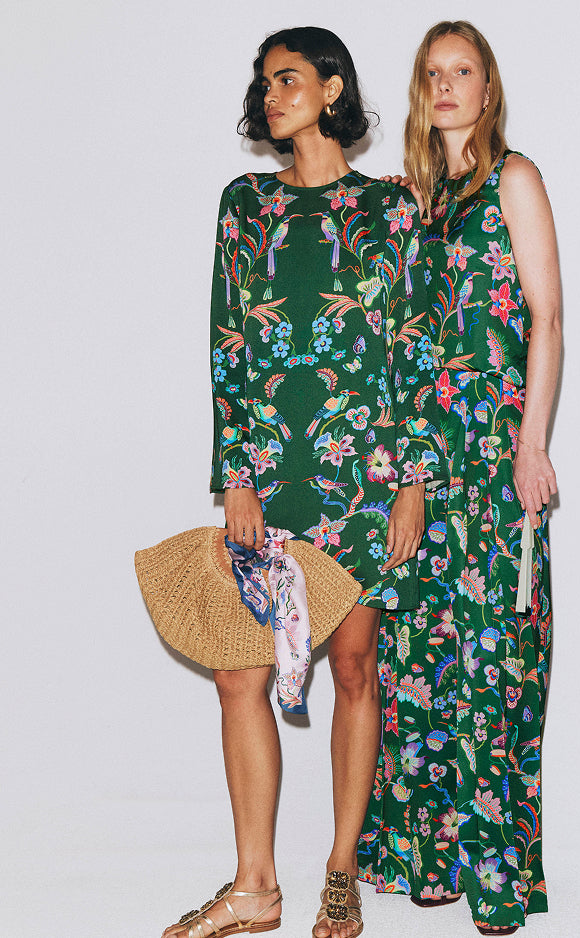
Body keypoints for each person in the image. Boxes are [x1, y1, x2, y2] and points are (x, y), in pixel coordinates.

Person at [161, 26, 445, 938]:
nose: (271, 94)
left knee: (357, 668)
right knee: (240, 676)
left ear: (332, 90)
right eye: (264, 81)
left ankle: (339, 871)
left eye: (289, 79)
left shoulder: (393, 211)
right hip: (272, 484)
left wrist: (411, 482)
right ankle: (255, 887)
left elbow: (414, 352)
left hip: (365, 480)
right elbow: (227, 348)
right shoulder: (243, 204)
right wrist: (235, 479)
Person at [358, 21, 561, 936]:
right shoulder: (414, 201)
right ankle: (431, 857)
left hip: (489, 460)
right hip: (420, 468)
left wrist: (532, 444)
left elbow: (548, 322)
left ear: (488, 87)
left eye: (462, 72)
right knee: (421, 659)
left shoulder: (515, 179)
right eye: (431, 74)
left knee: (495, 665)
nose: (446, 87)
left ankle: (500, 878)